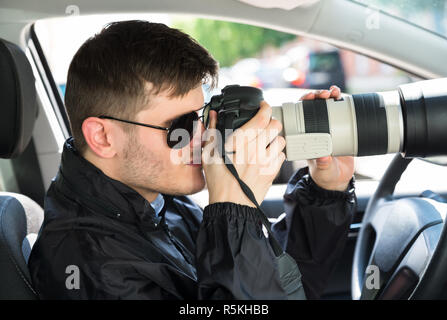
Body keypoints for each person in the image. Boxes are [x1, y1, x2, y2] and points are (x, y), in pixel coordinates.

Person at [28, 20, 356, 300]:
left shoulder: (157, 203)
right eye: (181, 125)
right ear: (103, 137)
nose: (201, 137)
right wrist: (234, 211)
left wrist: (325, 191)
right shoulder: (88, 267)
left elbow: (279, 284)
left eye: (201, 117)